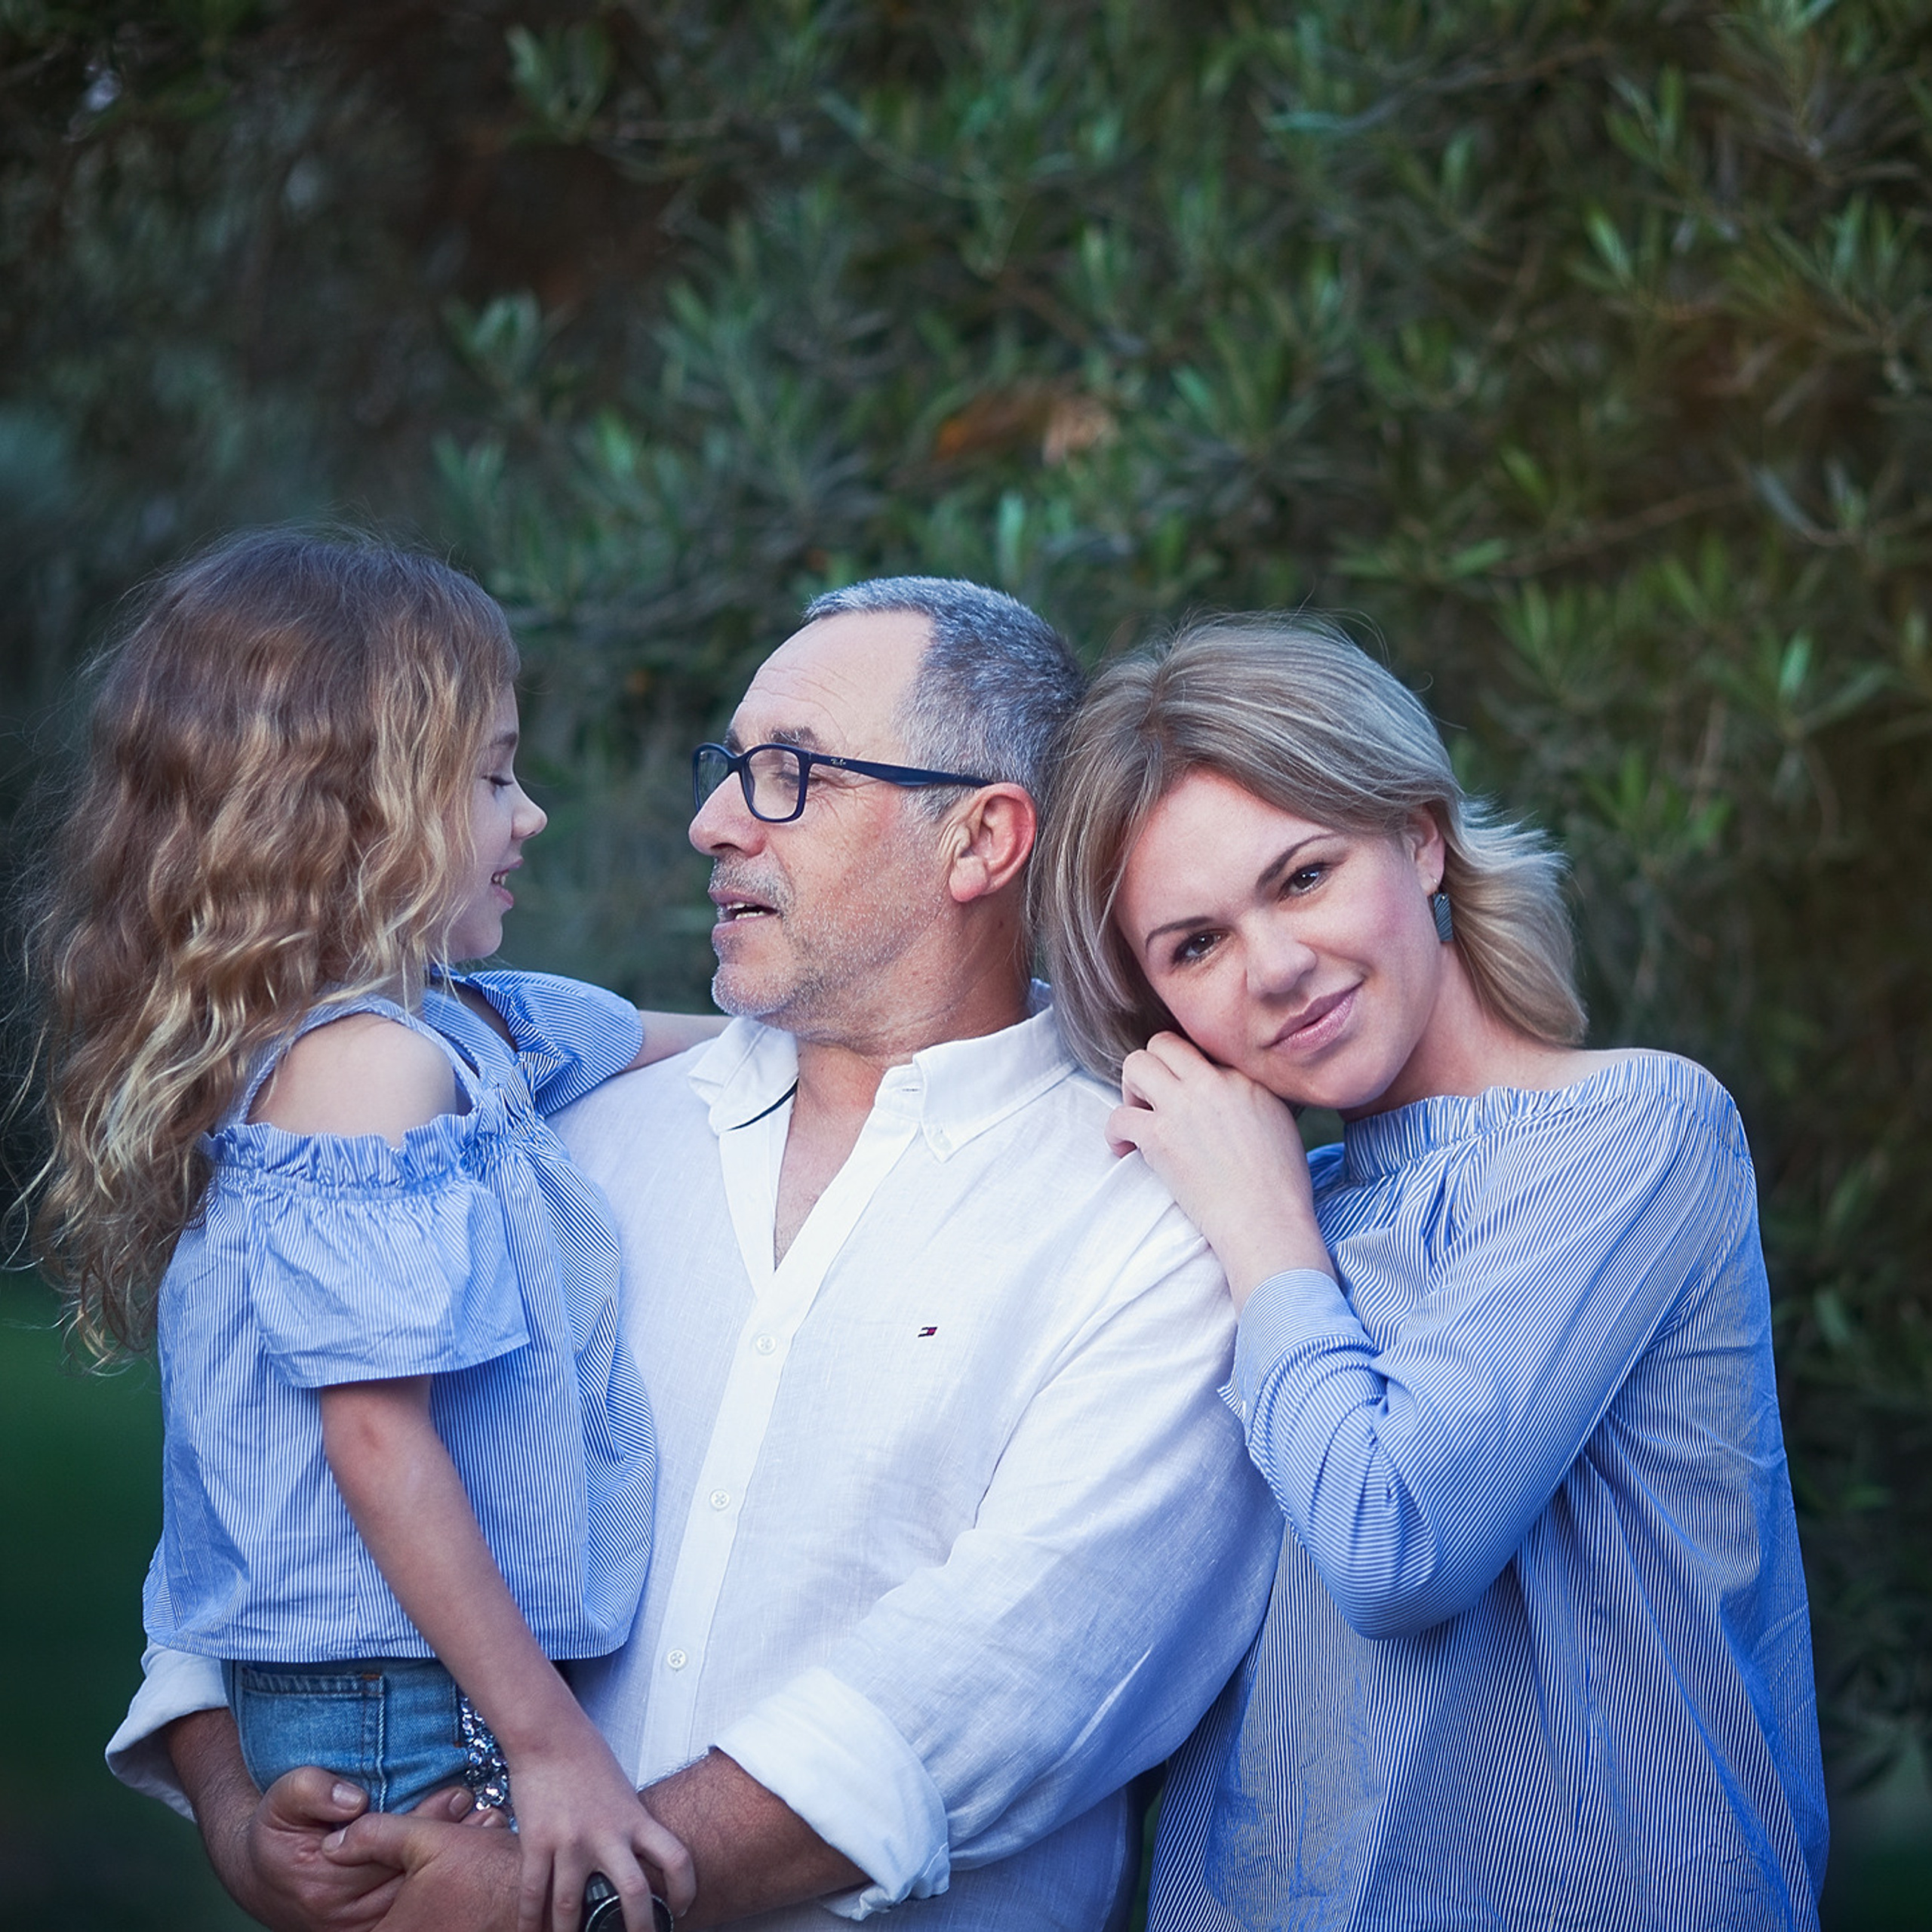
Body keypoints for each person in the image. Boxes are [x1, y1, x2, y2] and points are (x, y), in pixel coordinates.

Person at [106, 577, 1283, 1930]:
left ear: (980, 840)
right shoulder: (556, 1140)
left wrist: (565, 1903)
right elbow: (275, 1465)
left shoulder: (1156, 1213)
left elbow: (1019, 1670)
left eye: (785, 776)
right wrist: (230, 1797)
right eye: (729, 768)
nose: (712, 821)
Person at [1033, 614, 1829, 1930]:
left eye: (1302, 877)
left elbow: (1396, 1544)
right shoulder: (1253, 1216)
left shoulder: (1633, 1134)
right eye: (1195, 946)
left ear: (1419, 835)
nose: (1276, 970)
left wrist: (1265, 1228)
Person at [29, 532, 715, 1932]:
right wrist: (548, 1741)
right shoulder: (359, 1075)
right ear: (352, 806)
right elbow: (374, 1437)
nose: (531, 817)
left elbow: (735, 1049)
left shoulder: (470, 1025)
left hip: (421, 1685)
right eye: (493, 775)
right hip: (417, 1704)